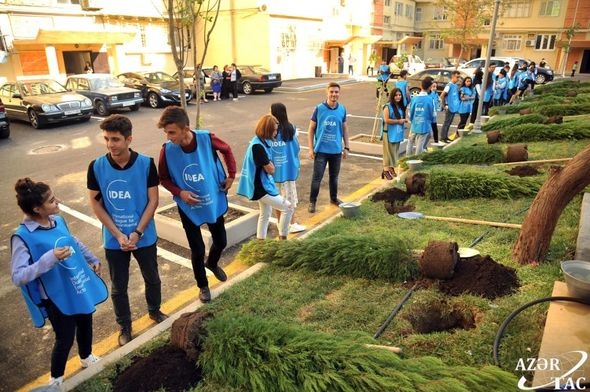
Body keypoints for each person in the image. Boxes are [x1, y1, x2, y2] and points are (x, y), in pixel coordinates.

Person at [12, 178, 107, 389]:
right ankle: (56, 378)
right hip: (55, 297)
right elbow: (18, 276)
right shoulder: (23, 237)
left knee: (86, 322)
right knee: (64, 337)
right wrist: (48, 259)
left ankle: (86, 356)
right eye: (52, 201)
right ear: (37, 208)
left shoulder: (57, 221)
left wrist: (92, 258)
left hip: (76, 285)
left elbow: (72, 241)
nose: (58, 202)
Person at [87, 114, 167, 347]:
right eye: (107, 139)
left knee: (152, 278)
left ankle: (155, 311)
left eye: (116, 139)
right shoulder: (96, 166)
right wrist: (118, 234)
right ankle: (125, 325)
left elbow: (153, 200)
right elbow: (95, 203)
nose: (111, 144)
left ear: (129, 139)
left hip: (143, 236)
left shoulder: (146, 164)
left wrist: (137, 233)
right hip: (115, 240)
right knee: (118, 287)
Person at [157, 106, 236, 303]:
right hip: (188, 207)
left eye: (172, 132)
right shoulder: (167, 150)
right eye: (166, 132)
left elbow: (227, 150)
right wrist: (180, 193)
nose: (168, 137)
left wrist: (231, 175)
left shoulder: (206, 138)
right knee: (197, 249)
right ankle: (203, 286)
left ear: (186, 128)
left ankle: (212, 263)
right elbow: (164, 179)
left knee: (221, 241)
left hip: (212, 200)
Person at [237, 114, 294, 240]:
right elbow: (271, 169)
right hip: (261, 187)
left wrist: (269, 164)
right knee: (288, 207)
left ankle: (260, 243)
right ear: (267, 130)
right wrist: (270, 165)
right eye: (274, 130)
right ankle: (283, 239)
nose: (276, 132)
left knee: (265, 214)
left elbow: (269, 167)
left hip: (260, 185)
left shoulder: (258, 141)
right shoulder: (258, 147)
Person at [307, 82, 350, 213]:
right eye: (331, 92)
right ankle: (312, 202)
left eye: (336, 92)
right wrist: (310, 148)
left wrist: (347, 147)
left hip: (336, 151)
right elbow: (311, 129)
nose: (334, 94)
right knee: (317, 177)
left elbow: (344, 128)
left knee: (334, 177)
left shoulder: (342, 109)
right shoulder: (319, 108)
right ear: (327, 92)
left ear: (339, 93)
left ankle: (333, 198)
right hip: (321, 151)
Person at [270, 102, 306, 233]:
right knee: (289, 198)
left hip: (274, 171)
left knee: (277, 198)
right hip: (288, 171)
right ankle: (292, 223)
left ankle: (281, 223)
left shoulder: (270, 131)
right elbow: (296, 149)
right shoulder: (291, 129)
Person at [381, 88, 407, 180]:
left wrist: (403, 120)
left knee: (394, 152)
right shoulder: (387, 106)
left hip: (397, 133)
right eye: (396, 95)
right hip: (388, 133)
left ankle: (391, 168)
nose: (398, 97)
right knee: (387, 153)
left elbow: (400, 118)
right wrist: (399, 121)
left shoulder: (400, 107)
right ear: (392, 96)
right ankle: (385, 170)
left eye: (400, 95)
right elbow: (387, 120)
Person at [407, 77, 434, 156]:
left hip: (414, 123)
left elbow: (411, 112)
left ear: (421, 86)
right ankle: (417, 159)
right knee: (420, 143)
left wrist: (412, 120)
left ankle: (407, 158)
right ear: (429, 87)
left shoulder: (414, 98)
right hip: (424, 124)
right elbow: (431, 114)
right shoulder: (430, 99)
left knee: (410, 141)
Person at [439, 70, 461, 143]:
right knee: (447, 122)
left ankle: (446, 137)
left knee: (449, 122)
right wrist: (444, 105)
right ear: (453, 76)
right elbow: (442, 95)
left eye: (458, 77)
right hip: (449, 107)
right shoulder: (449, 85)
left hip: (454, 107)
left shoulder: (455, 86)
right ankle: (443, 137)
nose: (458, 79)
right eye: (457, 77)